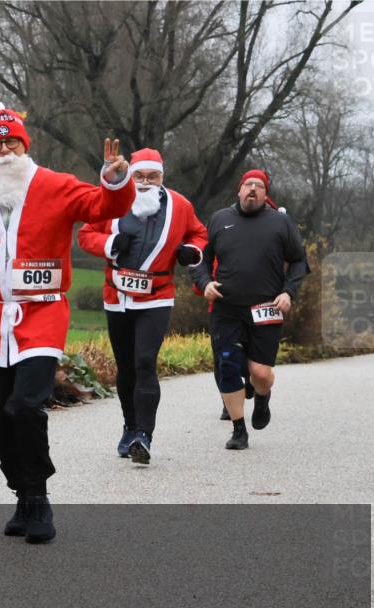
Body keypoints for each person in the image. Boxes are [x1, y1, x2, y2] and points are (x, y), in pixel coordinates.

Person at [0, 102, 134, 543]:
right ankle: (22, 493)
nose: (5, 149)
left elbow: (103, 204)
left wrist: (115, 178)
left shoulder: (56, 186)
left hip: (42, 312)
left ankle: (39, 498)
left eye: (12, 141)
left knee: (25, 404)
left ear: (25, 145)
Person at [78, 148, 207, 464]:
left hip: (156, 294)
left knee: (145, 360)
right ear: (131, 175)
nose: (146, 182)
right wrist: (109, 246)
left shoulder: (180, 205)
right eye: (140, 176)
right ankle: (130, 425)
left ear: (163, 176)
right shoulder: (111, 201)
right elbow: (86, 234)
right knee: (126, 366)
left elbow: (199, 235)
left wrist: (192, 252)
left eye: (153, 176)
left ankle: (144, 436)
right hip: (117, 296)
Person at [190, 169, 308, 450]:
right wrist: (204, 282)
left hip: (267, 307)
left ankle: (263, 397)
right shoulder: (220, 219)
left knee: (261, 373)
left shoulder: (281, 222)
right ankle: (238, 430)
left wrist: (288, 292)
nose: (252, 189)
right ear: (239, 190)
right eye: (248, 185)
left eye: (259, 186)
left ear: (266, 195)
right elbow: (200, 260)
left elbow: (299, 261)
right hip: (226, 307)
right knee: (228, 364)